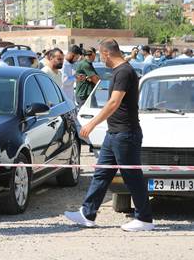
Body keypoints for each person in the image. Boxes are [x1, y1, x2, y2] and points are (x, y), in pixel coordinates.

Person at [65, 39, 153, 232]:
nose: (99, 59)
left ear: (106, 53)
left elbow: (114, 102)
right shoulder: (121, 71)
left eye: (100, 55)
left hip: (125, 134)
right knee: (102, 174)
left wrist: (91, 123)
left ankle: (144, 218)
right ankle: (87, 214)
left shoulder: (123, 72)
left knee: (132, 176)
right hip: (114, 133)